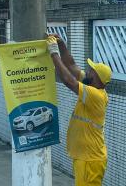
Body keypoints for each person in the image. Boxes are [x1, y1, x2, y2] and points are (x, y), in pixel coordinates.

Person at [47, 35, 112, 186]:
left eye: (91, 71)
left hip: (90, 159)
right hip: (85, 156)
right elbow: (71, 66)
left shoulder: (96, 95)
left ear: (96, 78)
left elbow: (69, 81)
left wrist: (53, 53)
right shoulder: (92, 85)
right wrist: (61, 44)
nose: (87, 71)